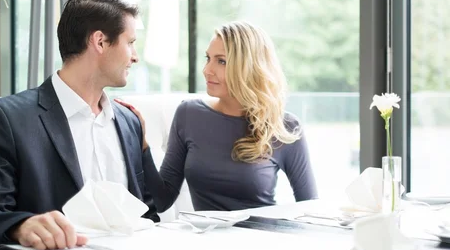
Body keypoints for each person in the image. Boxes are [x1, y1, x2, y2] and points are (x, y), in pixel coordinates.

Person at [0, 0, 158, 250]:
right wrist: (20, 226)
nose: (135, 55)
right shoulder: (6, 118)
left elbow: (148, 215)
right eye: (130, 42)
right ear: (100, 42)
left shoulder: (129, 123)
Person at [117, 21, 318, 212]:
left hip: (261, 242)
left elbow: (310, 206)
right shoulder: (189, 114)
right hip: (205, 245)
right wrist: (143, 145)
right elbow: (162, 200)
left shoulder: (285, 127)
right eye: (208, 58)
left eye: (221, 61)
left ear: (248, 67)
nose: (207, 70)